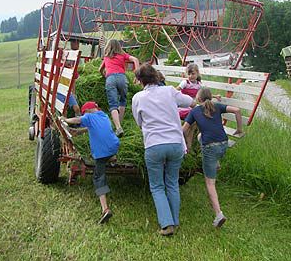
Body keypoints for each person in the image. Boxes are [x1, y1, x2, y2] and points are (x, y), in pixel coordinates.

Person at [132, 64, 195, 236]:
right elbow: (191, 102)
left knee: (157, 186)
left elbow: (139, 122)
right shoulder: (169, 91)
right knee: (172, 183)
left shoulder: (137, 98)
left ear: (140, 80)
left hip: (154, 145)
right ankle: (175, 220)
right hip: (175, 143)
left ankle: (167, 225)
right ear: (156, 76)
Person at [182, 87, 243, 228]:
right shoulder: (216, 106)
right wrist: (239, 129)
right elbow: (237, 110)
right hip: (224, 144)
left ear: (198, 99)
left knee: (210, 183)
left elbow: (184, 130)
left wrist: (185, 145)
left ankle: (218, 214)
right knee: (200, 136)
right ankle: (216, 162)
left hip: (210, 148)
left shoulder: (195, 111)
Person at [61, 101, 120, 224]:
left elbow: (77, 120)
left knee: (98, 177)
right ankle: (112, 158)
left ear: (87, 111)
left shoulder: (88, 116)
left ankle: (105, 209)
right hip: (114, 146)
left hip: (101, 152)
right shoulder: (104, 115)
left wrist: (65, 120)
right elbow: (92, 127)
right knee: (109, 151)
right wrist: (80, 131)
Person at [99, 39, 140, 137]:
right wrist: (137, 75)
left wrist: (103, 74)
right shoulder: (123, 55)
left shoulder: (106, 57)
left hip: (110, 79)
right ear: (119, 46)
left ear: (108, 47)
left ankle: (118, 128)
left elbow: (99, 69)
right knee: (122, 100)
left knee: (113, 104)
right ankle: (120, 124)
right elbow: (135, 59)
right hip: (122, 78)